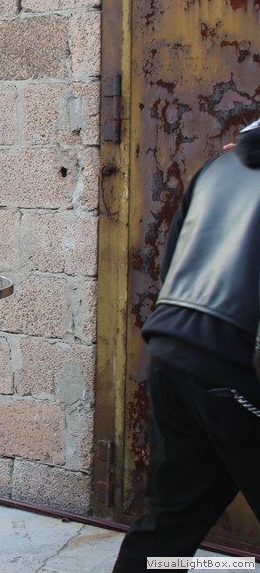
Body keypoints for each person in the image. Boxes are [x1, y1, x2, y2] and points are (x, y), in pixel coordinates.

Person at [111, 116, 260, 571]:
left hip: (173, 355)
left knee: (170, 522)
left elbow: (172, 266)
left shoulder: (220, 168)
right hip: (239, 366)